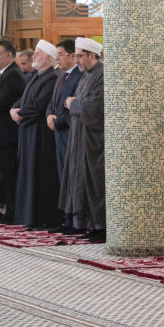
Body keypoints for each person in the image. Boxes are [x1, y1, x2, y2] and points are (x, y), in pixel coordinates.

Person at [10, 40, 61, 229]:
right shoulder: (35, 76)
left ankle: (40, 217)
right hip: (28, 133)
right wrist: (13, 109)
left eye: (37, 54)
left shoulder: (52, 78)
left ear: (48, 58)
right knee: (27, 173)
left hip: (40, 136)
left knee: (39, 175)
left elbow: (39, 105)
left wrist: (19, 113)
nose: (33, 57)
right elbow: (22, 99)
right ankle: (27, 216)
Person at [62, 37, 106, 241]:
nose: (76, 60)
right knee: (78, 179)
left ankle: (100, 227)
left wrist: (74, 104)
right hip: (79, 137)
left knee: (94, 182)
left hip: (93, 140)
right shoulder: (86, 75)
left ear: (91, 55)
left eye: (79, 56)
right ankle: (82, 223)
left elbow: (96, 107)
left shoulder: (102, 74)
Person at [0, 40, 25, 223]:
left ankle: (14, 212)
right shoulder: (1, 74)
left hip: (7, 135)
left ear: (9, 55)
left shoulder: (13, 75)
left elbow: (4, 102)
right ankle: (8, 210)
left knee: (9, 174)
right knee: (3, 174)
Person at [46, 39, 83, 234]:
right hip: (58, 133)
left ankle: (75, 221)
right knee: (63, 176)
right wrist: (49, 116)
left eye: (60, 54)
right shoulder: (61, 76)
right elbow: (53, 103)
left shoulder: (79, 76)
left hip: (70, 132)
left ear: (71, 55)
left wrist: (58, 121)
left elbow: (73, 106)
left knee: (73, 177)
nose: (57, 58)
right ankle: (66, 218)